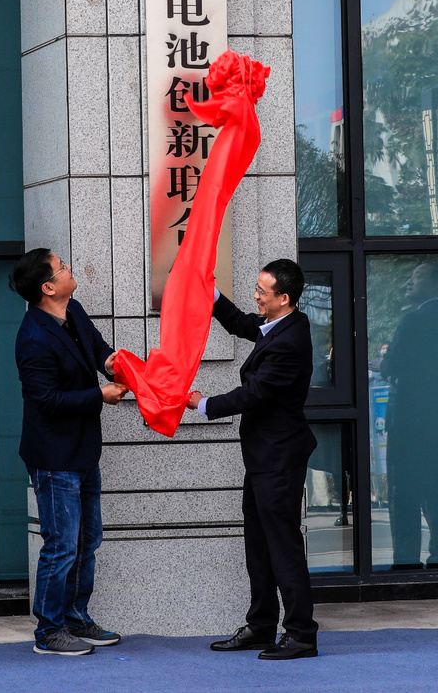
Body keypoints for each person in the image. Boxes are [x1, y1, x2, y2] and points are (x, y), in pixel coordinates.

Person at [187, 259, 319, 661]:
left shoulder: (290, 340)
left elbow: (254, 394)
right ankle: (261, 626)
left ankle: (301, 634)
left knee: (282, 547)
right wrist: (209, 292)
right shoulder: (277, 324)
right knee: (259, 546)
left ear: (284, 298)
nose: (256, 296)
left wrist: (203, 404)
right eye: (257, 288)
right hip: (263, 457)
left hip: (279, 458)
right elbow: (240, 323)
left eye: (263, 291)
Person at [10, 249, 126, 657]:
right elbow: (46, 400)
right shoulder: (33, 337)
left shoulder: (72, 309)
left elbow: (97, 348)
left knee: (87, 539)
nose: (69, 268)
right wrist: (100, 394)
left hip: (83, 449)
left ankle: (76, 617)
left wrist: (112, 363)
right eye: (62, 267)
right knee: (61, 545)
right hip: (53, 456)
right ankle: (48, 630)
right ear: (48, 287)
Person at [383, 260, 438, 570]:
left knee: (403, 493)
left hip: (408, 423)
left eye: (417, 276)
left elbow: (392, 365)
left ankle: (406, 559)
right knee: (436, 490)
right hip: (437, 423)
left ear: (434, 285)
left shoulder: (413, 321)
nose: (409, 281)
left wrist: (385, 361)